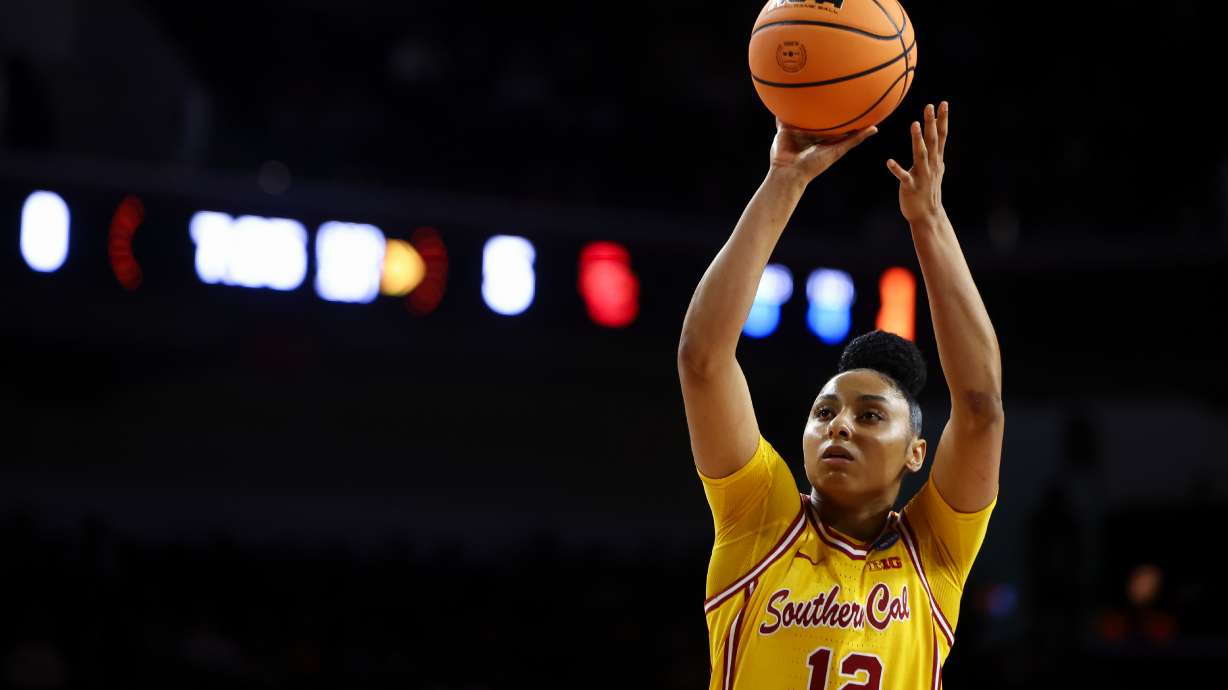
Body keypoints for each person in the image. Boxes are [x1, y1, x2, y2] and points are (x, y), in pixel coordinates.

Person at [677, 102, 1004, 690]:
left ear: (915, 453)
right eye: (824, 411)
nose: (839, 426)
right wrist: (784, 181)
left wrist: (928, 220)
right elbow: (703, 361)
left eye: (870, 415)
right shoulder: (762, 519)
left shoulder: (934, 553)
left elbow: (980, 408)